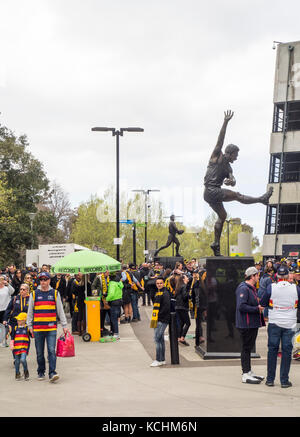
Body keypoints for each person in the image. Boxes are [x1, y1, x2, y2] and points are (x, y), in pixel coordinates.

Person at [203, 110, 273, 256]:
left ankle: (215, 244)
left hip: (210, 194)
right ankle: (261, 199)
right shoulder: (217, 156)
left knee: (222, 216)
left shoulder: (229, 167)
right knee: (238, 196)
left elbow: (233, 179)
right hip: (211, 190)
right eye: (236, 155)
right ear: (229, 153)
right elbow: (220, 139)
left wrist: (231, 181)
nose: (237, 158)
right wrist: (225, 122)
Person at [260, 264, 300, 388]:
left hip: (274, 322)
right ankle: (284, 380)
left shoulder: (271, 287)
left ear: (277, 276)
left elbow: (263, 303)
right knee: (287, 351)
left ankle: (270, 379)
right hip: (290, 323)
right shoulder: (296, 289)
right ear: (288, 276)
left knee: (272, 350)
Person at [26, 271, 69, 382]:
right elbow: (30, 312)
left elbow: (60, 310)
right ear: (39, 281)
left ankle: (52, 373)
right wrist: (29, 326)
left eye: (45, 279)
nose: (43, 282)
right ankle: (41, 371)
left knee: (51, 350)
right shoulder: (34, 294)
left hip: (51, 328)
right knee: (39, 353)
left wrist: (64, 325)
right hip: (38, 329)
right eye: (41, 280)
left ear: (49, 280)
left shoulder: (55, 293)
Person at [235, 266, 265, 384]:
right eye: (257, 275)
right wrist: (256, 309)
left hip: (251, 324)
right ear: (252, 276)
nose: (258, 277)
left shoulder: (250, 288)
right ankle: (245, 373)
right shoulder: (244, 289)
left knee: (248, 348)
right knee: (246, 348)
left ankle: (248, 371)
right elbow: (241, 306)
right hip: (246, 324)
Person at [150, 276, 171, 367]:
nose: (159, 285)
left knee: (157, 339)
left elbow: (166, 307)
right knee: (160, 340)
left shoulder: (165, 293)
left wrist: (159, 317)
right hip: (158, 319)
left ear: (164, 283)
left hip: (161, 320)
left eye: (160, 283)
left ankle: (158, 359)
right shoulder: (158, 293)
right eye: (157, 283)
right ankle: (162, 359)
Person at [10, 312, 32, 381]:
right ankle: (17, 373)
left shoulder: (27, 328)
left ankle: (26, 372)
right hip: (16, 348)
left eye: (19, 320)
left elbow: (32, 336)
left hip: (24, 347)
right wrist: (12, 345)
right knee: (17, 361)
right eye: (18, 320)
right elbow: (12, 338)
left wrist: (33, 331)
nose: (18, 321)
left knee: (23, 359)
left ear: (24, 320)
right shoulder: (15, 328)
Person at [106, 272, 123, 340]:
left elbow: (111, 294)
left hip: (113, 302)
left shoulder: (112, 283)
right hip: (119, 301)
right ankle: (114, 332)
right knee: (116, 318)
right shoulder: (118, 283)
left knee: (113, 319)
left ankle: (116, 333)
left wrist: (107, 299)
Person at [175, 274, 191, 346]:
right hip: (183, 307)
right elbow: (185, 296)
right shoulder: (184, 286)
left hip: (178, 307)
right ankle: (182, 337)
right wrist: (189, 295)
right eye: (186, 277)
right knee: (188, 323)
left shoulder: (178, 287)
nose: (188, 278)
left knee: (181, 322)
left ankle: (178, 337)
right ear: (183, 279)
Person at [0, 275, 15, 346]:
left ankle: (4, 340)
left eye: (2, 280)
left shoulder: (6, 288)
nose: (1, 281)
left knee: (5, 325)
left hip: (5, 309)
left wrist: (8, 284)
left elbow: (13, 291)